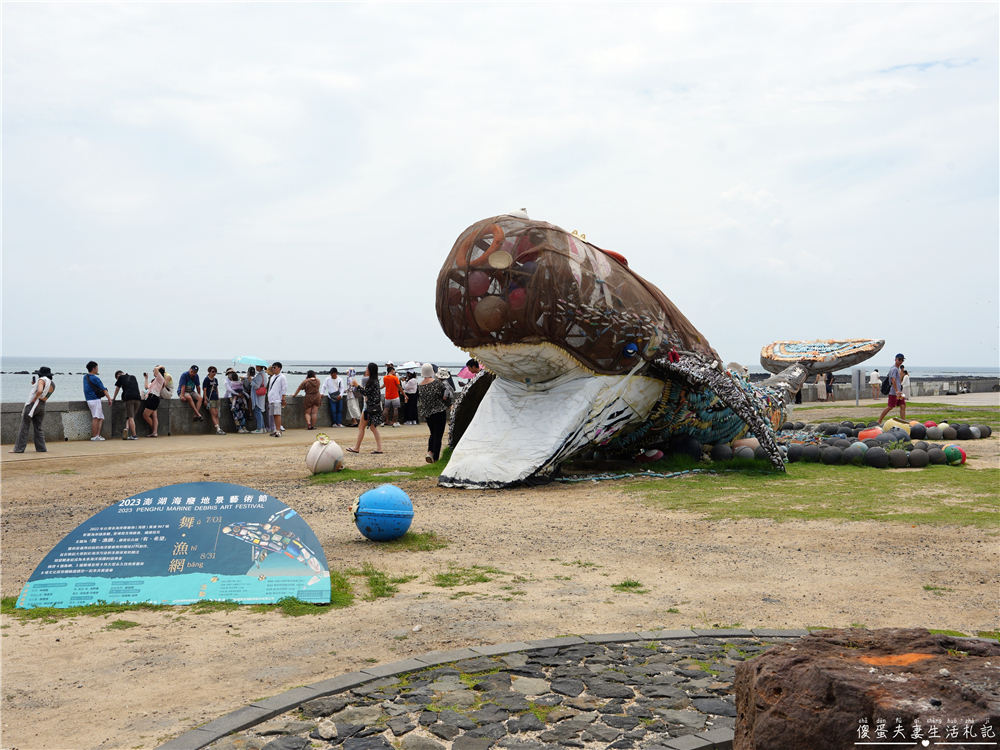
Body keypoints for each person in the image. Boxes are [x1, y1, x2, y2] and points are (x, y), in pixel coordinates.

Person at [10, 367, 55, 453]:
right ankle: (41, 448)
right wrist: (35, 385)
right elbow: (44, 394)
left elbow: (40, 390)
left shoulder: (42, 380)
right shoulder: (52, 384)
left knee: (24, 427)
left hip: (33, 406)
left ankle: (18, 449)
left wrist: (34, 399)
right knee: (38, 428)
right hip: (42, 406)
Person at [347, 362, 384, 454]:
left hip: (369, 408)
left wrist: (357, 385)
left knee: (363, 427)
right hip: (371, 407)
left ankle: (357, 447)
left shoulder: (372, 381)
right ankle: (378, 448)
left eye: (367, 369)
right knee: (371, 427)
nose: (366, 370)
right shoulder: (375, 381)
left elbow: (365, 392)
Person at [418, 363, 451, 463]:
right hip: (439, 412)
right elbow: (446, 394)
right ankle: (435, 458)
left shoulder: (420, 386)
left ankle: (430, 452)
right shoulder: (437, 383)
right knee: (438, 436)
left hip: (428, 414)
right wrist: (448, 404)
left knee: (432, 433)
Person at [84, 361, 112, 441]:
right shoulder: (95, 378)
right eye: (97, 367)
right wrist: (109, 399)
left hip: (89, 399)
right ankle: (94, 436)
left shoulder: (85, 377)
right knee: (96, 417)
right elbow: (104, 389)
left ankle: (98, 435)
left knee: (101, 417)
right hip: (95, 399)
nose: (97, 369)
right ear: (94, 369)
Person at [113, 370, 142, 440]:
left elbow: (117, 389)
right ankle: (126, 428)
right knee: (131, 417)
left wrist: (113, 398)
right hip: (138, 399)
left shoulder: (120, 378)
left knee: (131, 417)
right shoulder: (133, 377)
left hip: (129, 398)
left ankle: (134, 435)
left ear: (118, 376)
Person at [878, 353, 907, 424]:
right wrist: (896, 390)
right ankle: (879, 420)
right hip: (894, 392)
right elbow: (893, 379)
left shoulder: (897, 369)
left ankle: (903, 421)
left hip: (898, 392)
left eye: (902, 360)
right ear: (895, 360)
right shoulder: (894, 369)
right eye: (899, 359)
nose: (901, 361)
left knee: (903, 405)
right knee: (890, 406)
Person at [142, 366, 166, 437]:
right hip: (152, 398)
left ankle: (154, 429)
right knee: (154, 416)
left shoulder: (161, 379)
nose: (153, 372)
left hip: (154, 398)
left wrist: (161, 366)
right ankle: (154, 432)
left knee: (145, 415)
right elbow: (146, 387)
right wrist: (146, 378)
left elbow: (156, 369)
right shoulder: (155, 380)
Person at [202, 367, 226, 435]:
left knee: (216, 414)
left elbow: (216, 389)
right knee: (213, 414)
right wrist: (205, 399)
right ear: (209, 372)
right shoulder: (206, 379)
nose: (214, 373)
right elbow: (204, 390)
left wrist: (218, 398)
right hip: (210, 398)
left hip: (215, 398)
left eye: (215, 371)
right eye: (213, 371)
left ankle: (219, 428)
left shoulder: (215, 379)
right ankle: (217, 428)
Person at [266, 362, 287, 437]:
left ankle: (278, 430)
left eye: (274, 367)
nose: (273, 369)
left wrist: (283, 399)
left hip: (278, 399)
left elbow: (284, 388)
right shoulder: (272, 377)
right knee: (274, 415)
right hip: (272, 399)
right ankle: (276, 429)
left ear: (279, 368)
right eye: (272, 367)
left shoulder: (282, 377)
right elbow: (270, 389)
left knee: (277, 414)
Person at [246, 366, 266, 433]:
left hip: (257, 396)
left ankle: (259, 428)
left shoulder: (260, 375)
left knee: (257, 411)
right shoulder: (263, 374)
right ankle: (263, 428)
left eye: (257, 366)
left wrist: (250, 380)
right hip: (260, 396)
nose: (256, 367)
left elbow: (257, 386)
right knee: (259, 411)